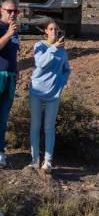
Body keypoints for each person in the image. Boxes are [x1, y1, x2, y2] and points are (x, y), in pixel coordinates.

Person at [28, 19, 70, 173]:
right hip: (37, 91)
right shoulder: (39, 45)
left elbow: (66, 69)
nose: (54, 32)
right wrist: (53, 48)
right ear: (45, 31)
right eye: (51, 29)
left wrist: (61, 82)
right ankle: (34, 160)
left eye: (56, 29)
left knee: (49, 127)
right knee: (35, 125)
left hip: (53, 93)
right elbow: (40, 63)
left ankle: (48, 161)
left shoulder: (62, 50)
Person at [0, 0, 18, 168]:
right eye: (9, 11)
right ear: (1, 11)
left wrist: (16, 71)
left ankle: (0, 152)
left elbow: (13, 54)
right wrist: (8, 34)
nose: (13, 14)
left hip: (11, 77)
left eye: (15, 11)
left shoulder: (15, 30)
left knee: (3, 117)